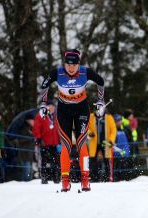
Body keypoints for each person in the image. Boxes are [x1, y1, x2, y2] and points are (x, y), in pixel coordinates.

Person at [39, 49, 105, 192]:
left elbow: (100, 81)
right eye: (68, 65)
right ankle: (65, 181)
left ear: (78, 64)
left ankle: (85, 180)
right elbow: (44, 84)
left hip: (82, 110)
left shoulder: (85, 72)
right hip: (64, 111)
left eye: (74, 65)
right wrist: (43, 103)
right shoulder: (58, 72)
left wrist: (100, 101)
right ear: (64, 64)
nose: (71, 68)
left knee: (81, 143)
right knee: (66, 145)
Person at [33, 100, 60, 184]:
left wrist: (60, 140)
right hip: (44, 142)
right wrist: (38, 138)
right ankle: (44, 178)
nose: (53, 109)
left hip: (54, 143)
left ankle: (56, 178)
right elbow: (36, 127)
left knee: (56, 161)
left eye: (54, 107)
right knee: (44, 161)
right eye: (51, 107)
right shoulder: (41, 116)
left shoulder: (55, 116)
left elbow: (58, 129)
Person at [88, 108, 116, 182]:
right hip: (94, 142)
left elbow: (113, 130)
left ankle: (108, 178)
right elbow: (87, 127)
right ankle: (93, 178)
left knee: (106, 161)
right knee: (92, 161)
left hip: (105, 143)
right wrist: (90, 132)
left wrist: (111, 140)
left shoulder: (109, 117)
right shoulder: (91, 117)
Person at [17, 113, 35, 181]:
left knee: (29, 172)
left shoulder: (30, 129)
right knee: (27, 172)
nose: (34, 122)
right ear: (29, 120)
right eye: (33, 120)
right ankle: (24, 184)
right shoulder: (23, 128)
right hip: (25, 153)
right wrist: (30, 137)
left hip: (29, 153)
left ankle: (27, 183)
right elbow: (21, 139)